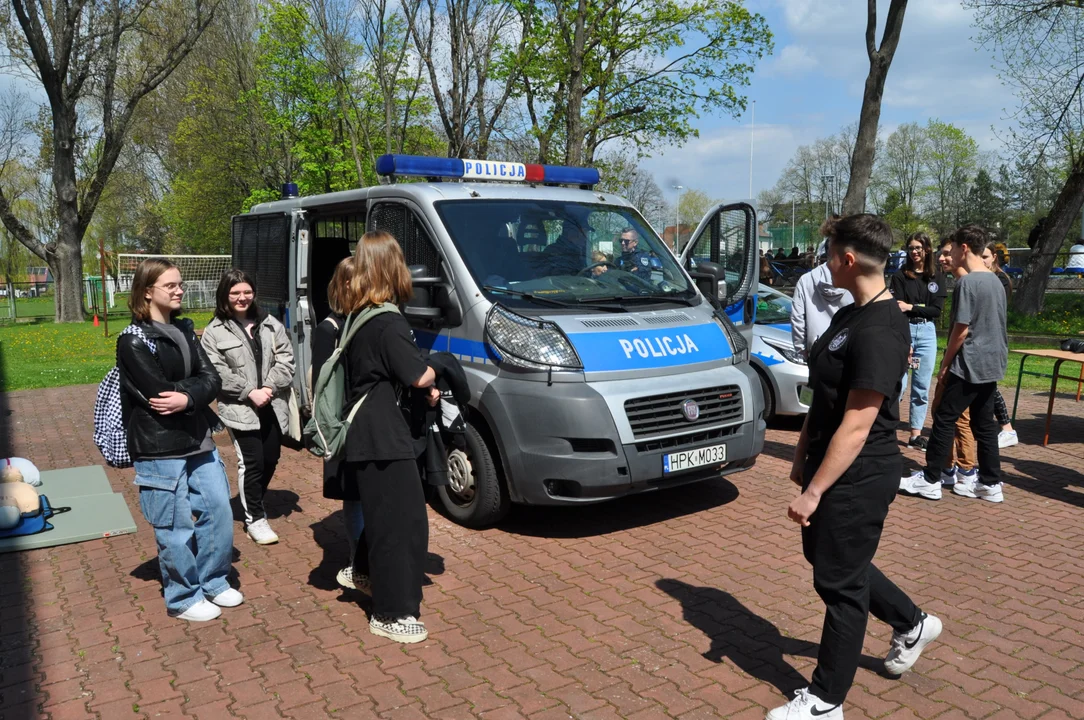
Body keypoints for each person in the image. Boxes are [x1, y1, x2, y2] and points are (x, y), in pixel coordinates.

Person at [775, 214, 941, 720]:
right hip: (830, 463)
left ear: (848, 260)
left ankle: (826, 701)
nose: (822, 265)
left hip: (860, 473)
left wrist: (815, 490)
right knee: (835, 563)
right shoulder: (852, 313)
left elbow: (858, 423)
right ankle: (911, 622)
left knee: (839, 585)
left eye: (828, 254)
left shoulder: (882, 328)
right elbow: (824, 399)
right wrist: (802, 454)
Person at [118, 259, 240, 622]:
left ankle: (214, 581)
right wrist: (193, 393)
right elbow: (157, 394)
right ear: (146, 291)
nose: (179, 290)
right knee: (174, 524)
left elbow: (212, 379)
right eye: (170, 285)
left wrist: (187, 398)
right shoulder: (132, 340)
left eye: (179, 284)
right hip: (158, 445)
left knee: (218, 509)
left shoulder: (185, 330)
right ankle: (183, 597)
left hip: (197, 437)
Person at [343, 231, 441, 644]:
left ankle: (364, 574)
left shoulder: (361, 314)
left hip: (369, 430)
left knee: (387, 516)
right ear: (391, 267)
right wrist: (439, 369)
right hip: (382, 434)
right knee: (402, 524)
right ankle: (391, 612)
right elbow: (417, 374)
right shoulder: (387, 320)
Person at [900, 225, 1008, 503]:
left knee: (944, 417)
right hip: (992, 362)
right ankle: (990, 483)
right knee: (984, 423)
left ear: (964, 248)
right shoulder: (996, 280)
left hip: (970, 362)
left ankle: (932, 478)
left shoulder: (967, 283)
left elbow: (961, 329)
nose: (948, 255)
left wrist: (946, 364)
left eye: (953, 248)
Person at [201, 270, 296, 546]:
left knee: (272, 457)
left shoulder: (270, 323)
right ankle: (255, 517)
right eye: (235, 293)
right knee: (252, 461)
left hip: (271, 403)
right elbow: (215, 371)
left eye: (246, 292)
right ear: (225, 296)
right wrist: (248, 392)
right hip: (240, 408)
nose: (242, 298)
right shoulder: (214, 331)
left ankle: (252, 498)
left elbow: (286, 359)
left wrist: (267, 388)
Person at [310, 258, 368, 592]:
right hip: (346, 425)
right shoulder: (329, 329)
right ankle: (357, 562)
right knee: (355, 496)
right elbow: (323, 387)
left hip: (368, 421)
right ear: (343, 285)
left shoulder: (366, 321)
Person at [889, 233, 946, 452]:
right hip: (905, 331)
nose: (914, 252)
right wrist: (907, 341)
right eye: (911, 248)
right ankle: (888, 430)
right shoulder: (900, 276)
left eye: (918, 248)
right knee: (899, 385)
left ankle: (915, 434)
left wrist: (912, 306)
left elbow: (936, 310)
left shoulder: (936, 275)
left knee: (921, 387)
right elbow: (897, 308)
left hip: (927, 332)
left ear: (927, 249)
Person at [791, 217, 854, 359]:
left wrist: (802, 351)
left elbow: (798, 320)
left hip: (818, 350)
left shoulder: (806, 279)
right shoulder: (855, 277)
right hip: (850, 351)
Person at [980, 243, 1019, 449]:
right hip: (983, 338)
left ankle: (1007, 428)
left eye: (985, 256)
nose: (982, 261)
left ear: (994, 257)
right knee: (984, 386)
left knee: (989, 385)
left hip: (992, 339)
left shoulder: (1000, 279)